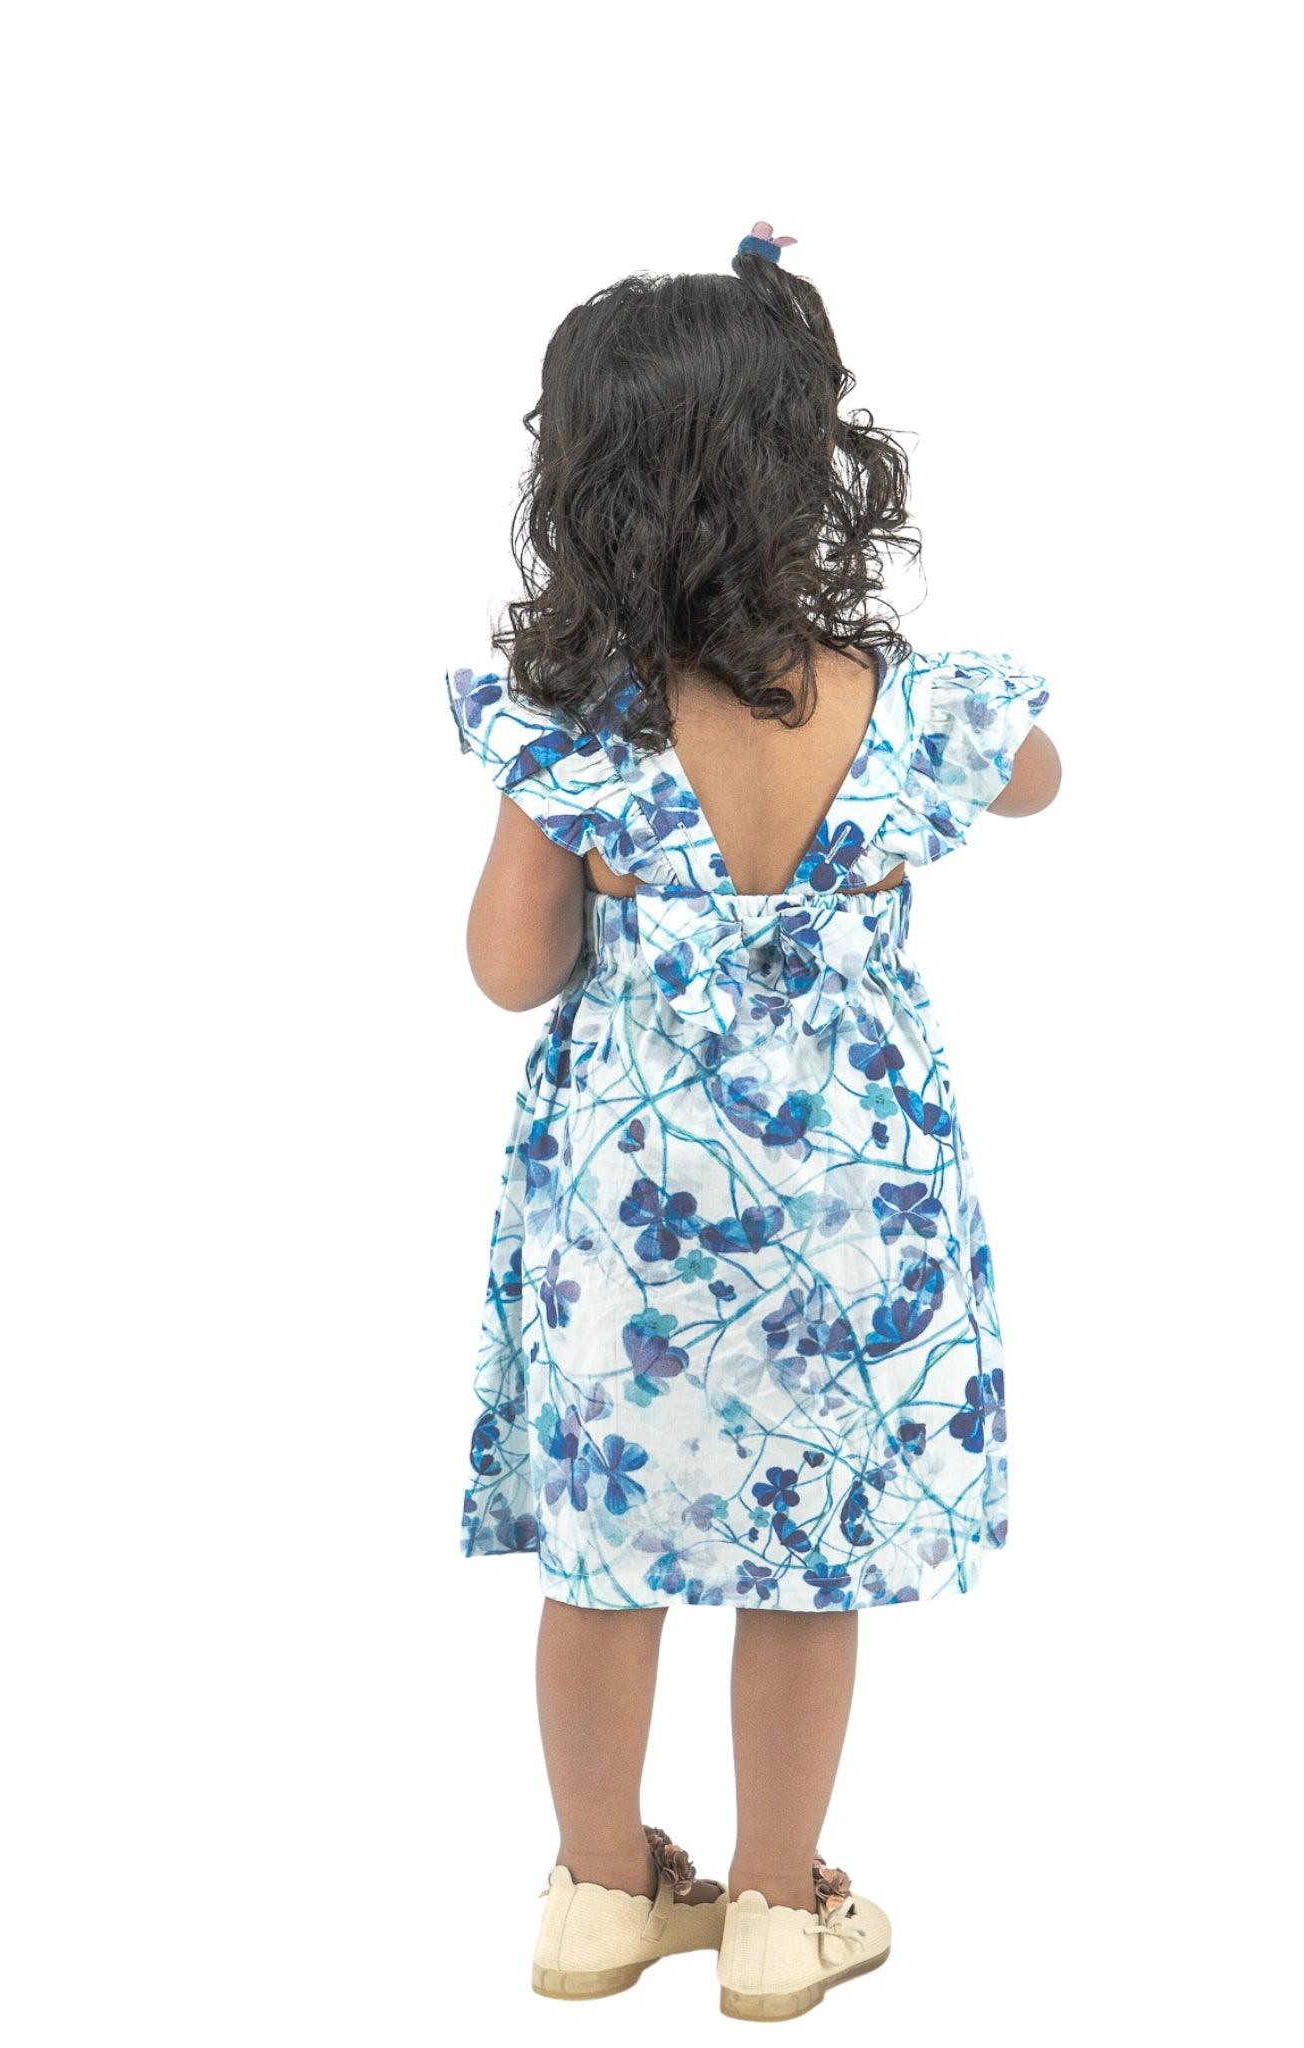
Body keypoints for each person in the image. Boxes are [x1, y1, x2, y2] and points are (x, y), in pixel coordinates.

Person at [446, 221, 1061, 2022]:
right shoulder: (899, 705)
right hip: (853, 1218)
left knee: (607, 1557)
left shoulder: (582, 729)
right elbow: (1037, 772)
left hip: (632, 1221)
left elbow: (504, 967)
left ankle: (599, 1891)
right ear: (813, 479)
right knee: (810, 1559)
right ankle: (783, 1909)